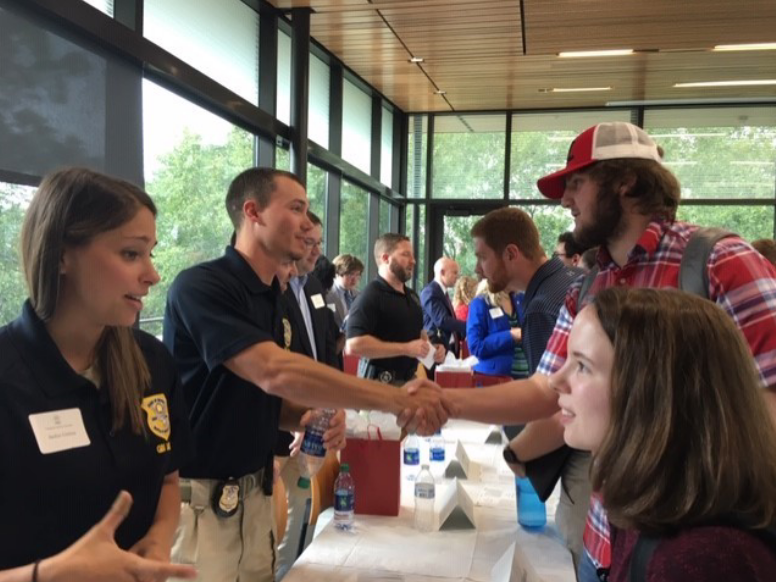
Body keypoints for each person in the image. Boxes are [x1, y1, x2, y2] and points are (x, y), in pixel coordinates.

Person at [427, 121, 776, 581]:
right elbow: (547, 388)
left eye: (576, 183)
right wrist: (444, 401)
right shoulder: (590, 284)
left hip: (693, 541)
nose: (565, 201)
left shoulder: (720, 262)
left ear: (625, 181)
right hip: (607, 537)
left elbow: (767, 405)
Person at [164, 169, 448, 582]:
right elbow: (271, 371)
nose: (306, 221)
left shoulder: (273, 297)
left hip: (257, 495)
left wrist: (305, 416)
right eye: (295, 208)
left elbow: (257, 398)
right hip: (203, 503)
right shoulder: (203, 285)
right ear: (253, 212)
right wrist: (395, 399)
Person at [0, 167, 195, 580]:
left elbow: (168, 481)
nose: (153, 275)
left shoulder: (151, 364)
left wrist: (158, 540)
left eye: (151, 253)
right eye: (130, 253)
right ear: (62, 255)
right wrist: (50, 573)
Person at [553, 287, 776, 582]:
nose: (557, 380)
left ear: (650, 392)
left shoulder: (702, 561)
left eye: (582, 366)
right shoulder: (645, 503)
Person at [276, 212, 340, 579]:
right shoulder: (273, 291)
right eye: (309, 242)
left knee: (304, 518)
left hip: (315, 422)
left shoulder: (315, 287)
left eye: (318, 243)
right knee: (279, 527)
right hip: (282, 424)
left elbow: (328, 351)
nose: (315, 250)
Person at [346, 233, 445, 384]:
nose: (413, 261)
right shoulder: (371, 296)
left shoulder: (412, 296)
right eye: (405, 255)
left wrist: (433, 351)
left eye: (412, 255)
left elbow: (419, 334)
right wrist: (406, 348)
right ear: (386, 258)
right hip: (379, 384)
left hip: (408, 380)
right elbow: (353, 345)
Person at [467, 279, 527, 379]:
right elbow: (475, 347)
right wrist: (510, 336)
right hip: (495, 378)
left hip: (527, 376)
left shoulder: (520, 298)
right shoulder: (480, 303)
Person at [421, 257, 467, 356]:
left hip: (449, 349)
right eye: (454, 273)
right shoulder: (430, 292)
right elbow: (442, 320)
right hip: (437, 350)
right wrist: (469, 327)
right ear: (442, 272)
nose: (457, 276)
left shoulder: (443, 292)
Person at [327, 254, 364, 330]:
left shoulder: (359, 295)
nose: (354, 279)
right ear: (337, 273)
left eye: (357, 275)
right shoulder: (326, 295)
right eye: (351, 274)